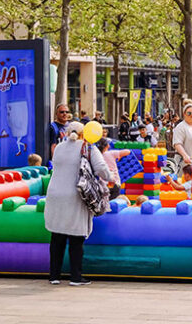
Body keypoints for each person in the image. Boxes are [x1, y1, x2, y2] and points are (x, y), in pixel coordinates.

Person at [45, 122, 115, 286]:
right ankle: (76, 276)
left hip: (55, 194)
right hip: (75, 194)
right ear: (84, 133)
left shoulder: (60, 147)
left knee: (57, 236)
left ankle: (54, 276)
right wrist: (112, 178)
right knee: (76, 237)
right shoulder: (87, 147)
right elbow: (101, 169)